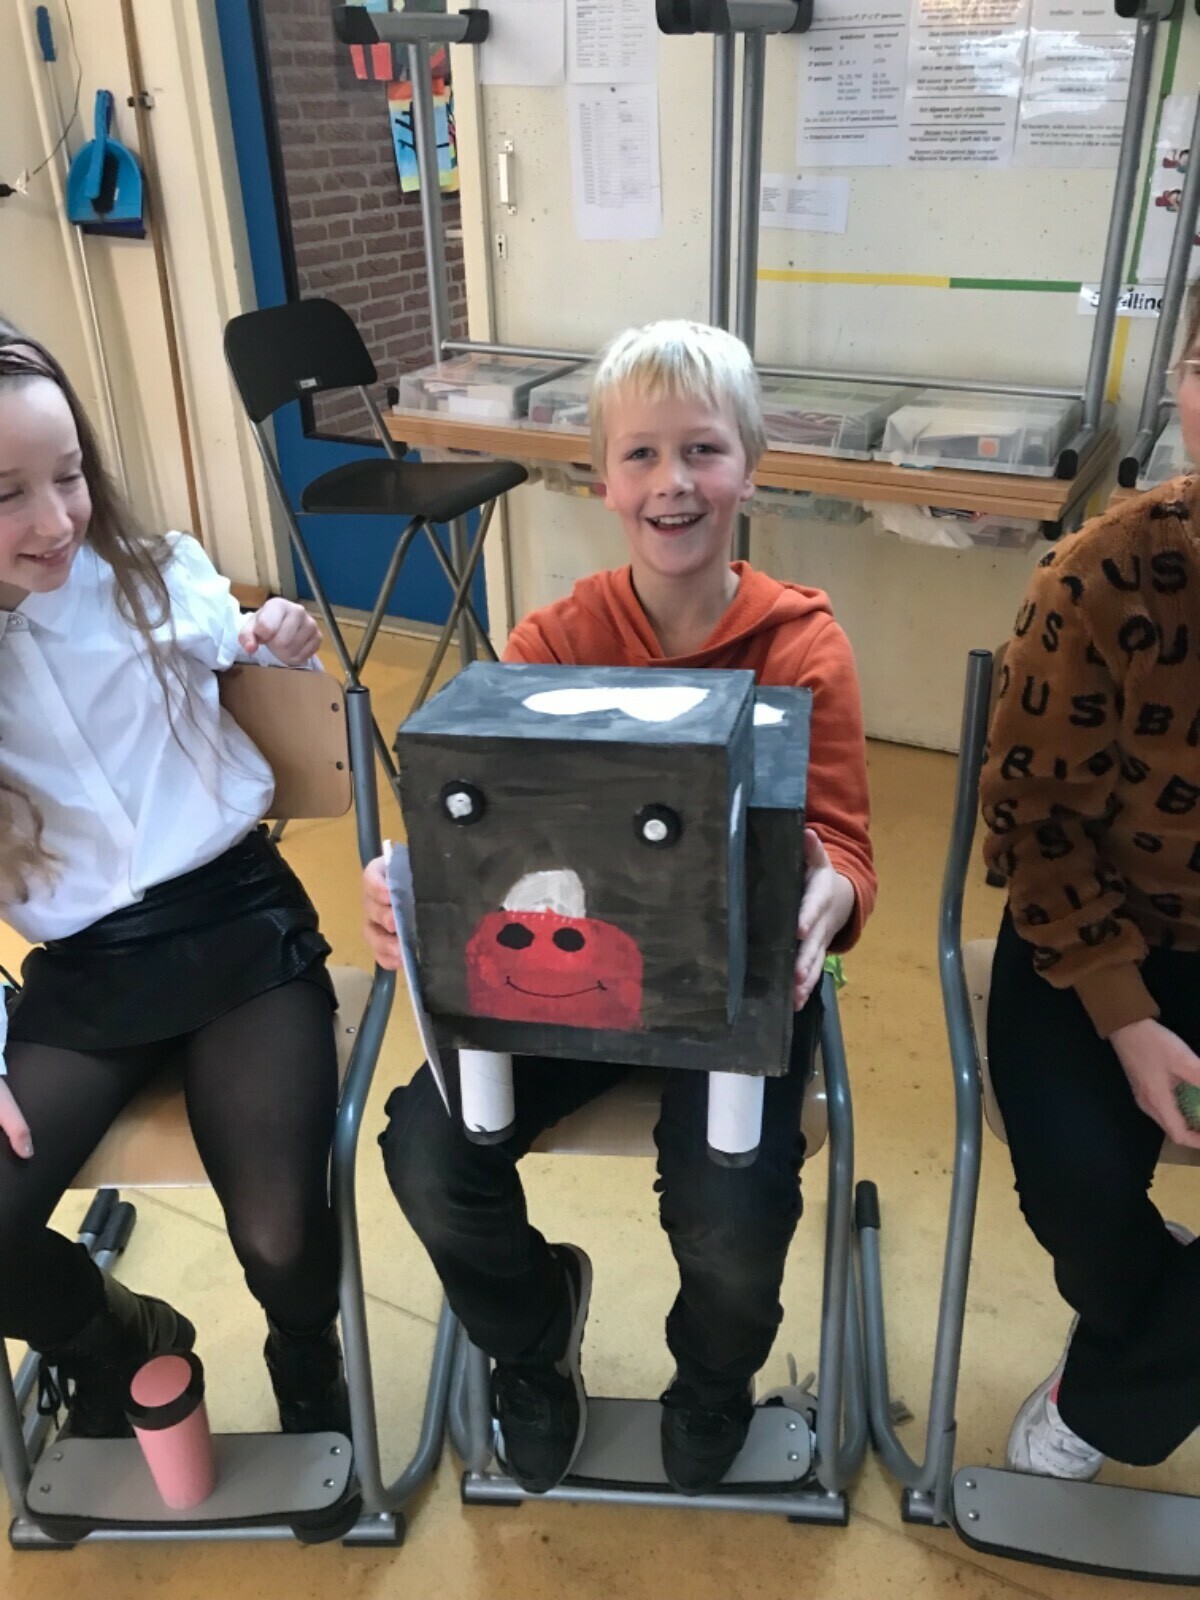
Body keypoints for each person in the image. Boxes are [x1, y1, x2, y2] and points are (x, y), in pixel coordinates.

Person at [362, 320, 875, 1495]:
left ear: (750, 467)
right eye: (641, 454)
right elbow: (475, 824)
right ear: (603, 479)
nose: (672, 482)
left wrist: (831, 891)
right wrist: (407, 888)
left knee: (732, 1207)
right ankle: (533, 1334)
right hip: (563, 978)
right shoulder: (554, 640)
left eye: (702, 450)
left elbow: (844, 840)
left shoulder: (804, 646)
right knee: (428, 1151)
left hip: (736, 991)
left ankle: (715, 1378)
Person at [0, 325, 347, 1440]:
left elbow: (265, 665)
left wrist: (279, 639)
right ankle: (120, 1341)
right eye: (6, 495)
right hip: (87, 970)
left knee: (282, 1235)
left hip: (236, 928)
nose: (54, 520)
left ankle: (306, 1349)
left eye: (68, 477)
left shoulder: (150, 579)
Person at [980, 282, 1200, 1482]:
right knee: (1076, 1188)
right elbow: (1033, 819)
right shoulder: (1106, 575)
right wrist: (1128, 1018)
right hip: (1093, 939)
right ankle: (1164, 1311)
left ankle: (1117, 1394)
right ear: (1181, 385)